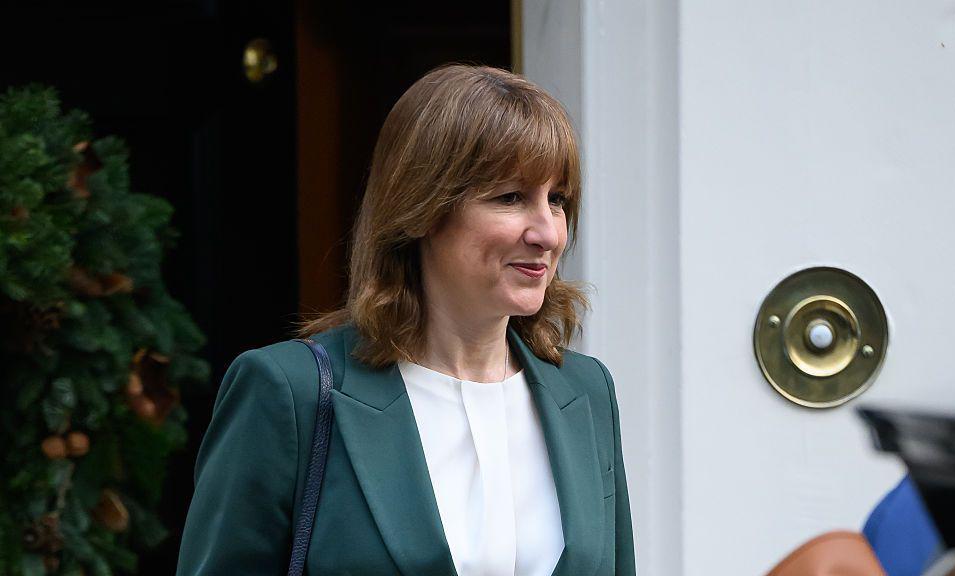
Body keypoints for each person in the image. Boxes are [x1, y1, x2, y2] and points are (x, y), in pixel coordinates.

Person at [176, 64, 635, 576]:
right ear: (423, 207)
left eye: (557, 200)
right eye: (510, 198)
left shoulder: (586, 391)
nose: (548, 233)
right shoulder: (289, 393)